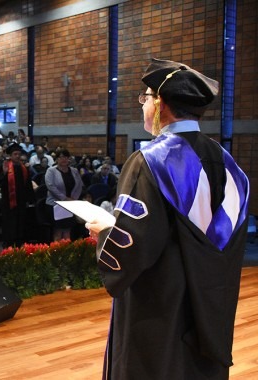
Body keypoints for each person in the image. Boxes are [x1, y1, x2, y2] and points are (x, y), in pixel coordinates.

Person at [85, 58, 250, 379]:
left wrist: (106, 232)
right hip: (212, 302)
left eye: (145, 98)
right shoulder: (230, 165)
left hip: (161, 305)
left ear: (160, 103)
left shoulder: (151, 160)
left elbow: (131, 248)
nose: (143, 105)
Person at [0, 143, 32, 247]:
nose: (17, 156)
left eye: (19, 154)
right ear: (11, 156)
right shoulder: (5, 167)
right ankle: (8, 243)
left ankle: (19, 241)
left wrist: (29, 199)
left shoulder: (23, 168)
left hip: (21, 200)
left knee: (20, 221)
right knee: (9, 222)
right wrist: (4, 174)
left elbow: (28, 184)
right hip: (8, 201)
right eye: (15, 154)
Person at [45, 149, 82, 241]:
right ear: (56, 159)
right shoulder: (51, 171)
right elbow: (51, 187)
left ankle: (67, 253)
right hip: (55, 204)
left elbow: (79, 185)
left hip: (70, 205)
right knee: (58, 231)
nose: (63, 159)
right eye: (61, 157)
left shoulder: (74, 170)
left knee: (67, 231)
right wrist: (64, 198)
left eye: (66, 157)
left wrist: (73, 199)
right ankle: (57, 252)